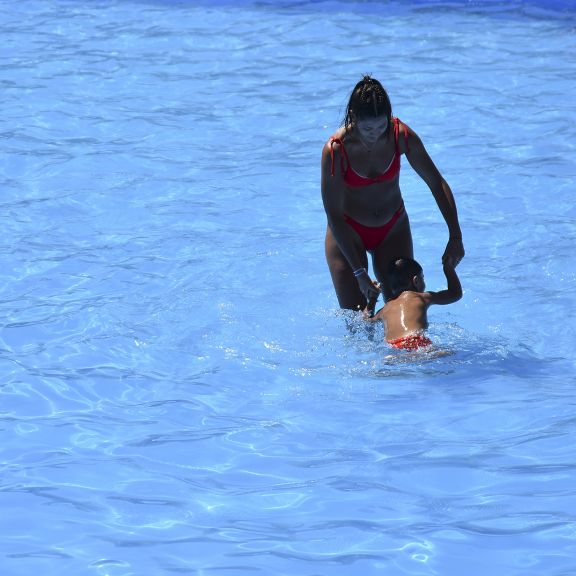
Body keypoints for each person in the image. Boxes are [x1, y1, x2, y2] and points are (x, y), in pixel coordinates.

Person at [321, 75, 464, 313]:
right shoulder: (336, 151)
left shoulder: (400, 135)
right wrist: (359, 273)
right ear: (353, 119)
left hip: (392, 228)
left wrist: (455, 236)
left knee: (406, 310)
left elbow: (436, 183)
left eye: (381, 126)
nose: (375, 134)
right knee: (358, 319)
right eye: (368, 128)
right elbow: (333, 214)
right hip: (347, 232)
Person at [364, 257, 462, 349]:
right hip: (415, 343)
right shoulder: (421, 297)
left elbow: (366, 322)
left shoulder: (385, 309)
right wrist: (448, 267)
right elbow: (455, 293)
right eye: (422, 278)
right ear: (416, 281)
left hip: (393, 348)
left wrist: (372, 299)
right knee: (450, 354)